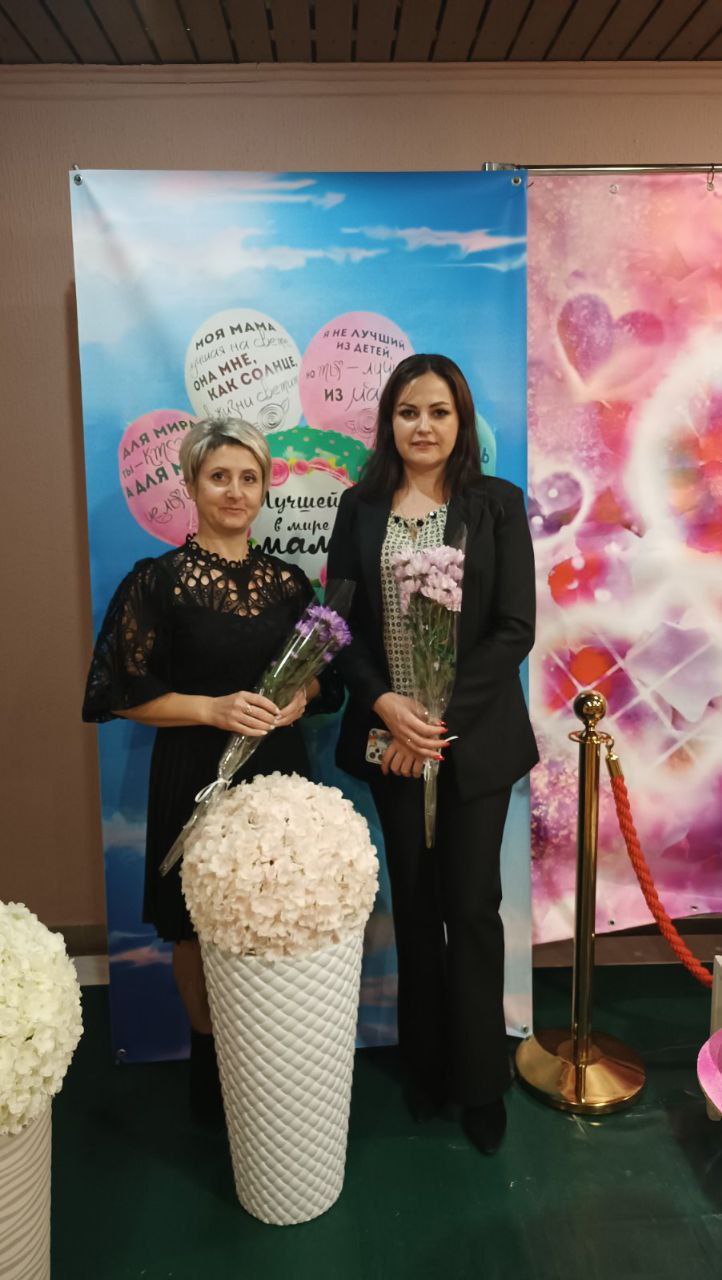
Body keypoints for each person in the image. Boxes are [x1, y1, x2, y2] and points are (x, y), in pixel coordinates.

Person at [83, 417, 340, 1116]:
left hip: (280, 779)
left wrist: (300, 698)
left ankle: (273, 1060)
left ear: (265, 489)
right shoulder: (157, 583)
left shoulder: (289, 584)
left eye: (248, 478)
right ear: (192, 485)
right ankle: (210, 1067)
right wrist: (212, 709)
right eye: (219, 476)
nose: (234, 491)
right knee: (195, 928)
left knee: (279, 913)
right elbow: (117, 694)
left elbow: (327, 681)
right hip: (195, 773)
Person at [326, 354, 538, 1155]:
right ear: (390, 421)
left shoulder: (495, 505)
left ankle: (481, 1081)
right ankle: (425, 1066)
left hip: (471, 743)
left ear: (461, 422)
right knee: (413, 906)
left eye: (439, 412)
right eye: (408, 411)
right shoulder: (359, 507)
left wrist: (435, 718)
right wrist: (387, 706)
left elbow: (513, 628)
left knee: (472, 909)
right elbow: (338, 625)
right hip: (390, 744)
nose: (423, 426)